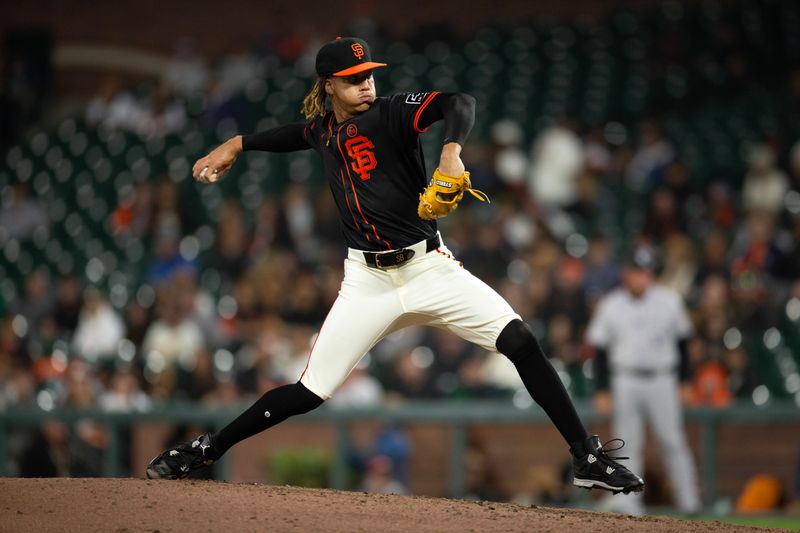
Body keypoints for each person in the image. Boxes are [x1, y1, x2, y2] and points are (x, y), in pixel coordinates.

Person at [146, 36, 643, 495]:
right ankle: (206, 449)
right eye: (354, 78)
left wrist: (450, 150)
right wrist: (240, 143)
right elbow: (295, 134)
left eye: (369, 74)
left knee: (521, 341)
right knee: (309, 391)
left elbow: (458, 103)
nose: (366, 83)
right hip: (366, 282)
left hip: (429, 270)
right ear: (329, 86)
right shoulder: (323, 130)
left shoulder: (391, 113)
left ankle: (585, 457)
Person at [586, 245, 700, 514]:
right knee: (628, 441)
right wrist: (602, 388)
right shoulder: (611, 304)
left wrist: (685, 381)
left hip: (663, 379)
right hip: (625, 379)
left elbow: (683, 343)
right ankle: (628, 501)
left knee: (672, 440)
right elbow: (599, 351)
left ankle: (690, 501)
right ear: (626, 273)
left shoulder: (669, 300)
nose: (641, 277)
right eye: (636, 271)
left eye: (646, 272)